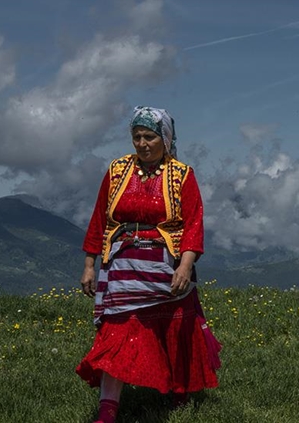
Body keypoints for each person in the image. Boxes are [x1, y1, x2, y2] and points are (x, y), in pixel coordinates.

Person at [76, 106, 221, 423]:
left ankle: (179, 391)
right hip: (122, 266)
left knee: (174, 330)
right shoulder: (117, 171)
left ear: (165, 139)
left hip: (166, 264)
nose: (142, 144)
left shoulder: (181, 175)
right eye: (136, 137)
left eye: (149, 137)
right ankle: (107, 410)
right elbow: (99, 218)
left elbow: (193, 224)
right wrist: (89, 264)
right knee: (117, 333)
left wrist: (185, 266)